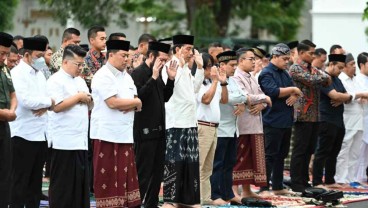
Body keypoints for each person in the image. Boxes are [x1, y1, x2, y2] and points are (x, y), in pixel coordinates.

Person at [90, 39, 141, 207]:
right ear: (111, 55)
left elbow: (136, 102)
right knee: (108, 180)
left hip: (125, 134)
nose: (127, 59)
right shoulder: (102, 75)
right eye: (123, 55)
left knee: (126, 181)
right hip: (107, 135)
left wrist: (133, 103)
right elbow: (112, 103)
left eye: (128, 55)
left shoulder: (127, 77)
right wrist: (134, 103)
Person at [9, 37, 54, 207]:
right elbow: (26, 101)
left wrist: (47, 102)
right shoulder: (17, 74)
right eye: (38, 55)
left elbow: (50, 97)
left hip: (41, 135)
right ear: (26, 55)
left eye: (43, 54)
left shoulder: (40, 74)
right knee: (20, 182)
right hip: (23, 135)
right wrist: (48, 102)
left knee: (35, 185)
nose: (42, 59)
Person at [131, 41, 176, 207]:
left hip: (159, 132)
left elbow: (164, 97)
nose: (163, 63)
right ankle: (137, 203)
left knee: (157, 173)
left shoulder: (158, 73)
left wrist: (170, 79)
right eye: (161, 59)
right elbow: (139, 98)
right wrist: (154, 77)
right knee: (143, 172)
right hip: (144, 132)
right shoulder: (139, 73)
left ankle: (151, 203)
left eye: (165, 60)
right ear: (151, 56)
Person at [312, 54, 368, 188]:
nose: (340, 70)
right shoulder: (324, 78)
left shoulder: (337, 80)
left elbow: (346, 97)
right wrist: (342, 97)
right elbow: (336, 95)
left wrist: (342, 97)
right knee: (323, 152)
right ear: (331, 65)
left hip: (338, 120)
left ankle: (330, 181)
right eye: (339, 67)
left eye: (342, 68)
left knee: (334, 151)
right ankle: (317, 181)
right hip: (326, 119)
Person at [161, 34, 204, 207]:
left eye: (192, 49)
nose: (191, 53)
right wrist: (178, 63)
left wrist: (200, 68)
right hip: (175, 122)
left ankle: (187, 199)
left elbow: (194, 89)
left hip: (190, 123)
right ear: (177, 50)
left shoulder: (186, 69)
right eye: (187, 49)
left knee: (190, 163)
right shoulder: (170, 67)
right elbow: (168, 88)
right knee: (174, 162)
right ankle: (171, 200)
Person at [47, 45, 93, 208]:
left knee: (79, 187)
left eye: (82, 65)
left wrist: (86, 99)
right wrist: (79, 97)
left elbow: (88, 102)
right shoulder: (55, 80)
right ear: (65, 62)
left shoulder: (80, 81)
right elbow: (57, 107)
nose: (81, 68)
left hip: (80, 140)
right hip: (63, 142)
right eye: (78, 64)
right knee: (63, 188)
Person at [258, 43, 302, 196]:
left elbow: (294, 91)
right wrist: (293, 90)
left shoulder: (284, 73)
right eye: (284, 59)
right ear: (275, 57)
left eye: (288, 59)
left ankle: (277, 185)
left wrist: (294, 94)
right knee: (269, 155)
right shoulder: (266, 73)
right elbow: (273, 91)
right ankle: (264, 188)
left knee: (281, 155)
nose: (287, 62)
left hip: (285, 120)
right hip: (272, 120)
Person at [289, 40, 330, 192]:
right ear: (300, 53)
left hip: (315, 115)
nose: (313, 56)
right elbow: (314, 80)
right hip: (302, 115)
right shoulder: (295, 68)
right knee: (300, 150)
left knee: (310, 150)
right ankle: (296, 182)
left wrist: (323, 76)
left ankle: (305, 180)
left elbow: (326, 78)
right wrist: (324, 76)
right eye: (311, 53)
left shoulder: (311, 68)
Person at [232, 48, 271, 198]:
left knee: (250, 161)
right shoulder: (236, 77)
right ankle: (234, 191)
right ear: (241, 61)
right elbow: (246, 97)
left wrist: (263, 104)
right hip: (242, 125)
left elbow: (263, 97)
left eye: (254, 59)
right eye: (251, 59)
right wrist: (265, 99)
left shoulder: (251, 77)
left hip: (255, 125)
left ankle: (247, 191)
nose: (254, 62)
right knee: (239, 159)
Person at [210, 50, 244, 204]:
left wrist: (242, 103)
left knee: (229, 162)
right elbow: (226, 99)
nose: (234, 68)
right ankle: (215, 194)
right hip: (220, 128)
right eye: (232, 65)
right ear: (222, 65)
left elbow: (243, 95)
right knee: (217, 164)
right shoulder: (215, 79)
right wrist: (241, 100)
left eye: (235, 65)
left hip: (233, 128)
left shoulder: (234, 80)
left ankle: (227, 193)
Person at [196, 52, 228, 205]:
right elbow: (206, 100)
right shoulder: (199, 84)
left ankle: (205, 197)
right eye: (209, 66)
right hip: (202, 127)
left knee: (208, 167)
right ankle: (197, 197)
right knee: (200, 165)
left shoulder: (211, 83)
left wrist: (222, 82)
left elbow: (224, 100)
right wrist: (215, 81)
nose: (212, 69)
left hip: (214, 127)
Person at [335, 53, 366, 187]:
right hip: (347, 119)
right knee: (344, 149)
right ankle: (340, 179)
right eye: (352, 65)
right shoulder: (341, 80)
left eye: (354, 64)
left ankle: (351, 178)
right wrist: (359, 95)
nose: (354, 67)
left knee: (355, 152)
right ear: (344, 67)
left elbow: (360, 97)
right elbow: (347, 98)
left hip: (359, 119)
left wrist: (357, 96)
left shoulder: (355, 80)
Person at [0, 32, 17, 208]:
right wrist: (6, 114)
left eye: (6, 54)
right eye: (1, 53)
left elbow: (13, 94)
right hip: (4, 118)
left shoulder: (4, 69)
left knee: (5, 172)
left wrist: (11, 111)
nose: (4, 57)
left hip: (4, 126)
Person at [355, 52, 368, 182]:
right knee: (360, 151)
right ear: (362, 65)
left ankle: (363, 177)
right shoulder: (358, 79)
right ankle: (357, 178)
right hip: (361, 119)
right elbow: (360, 96)